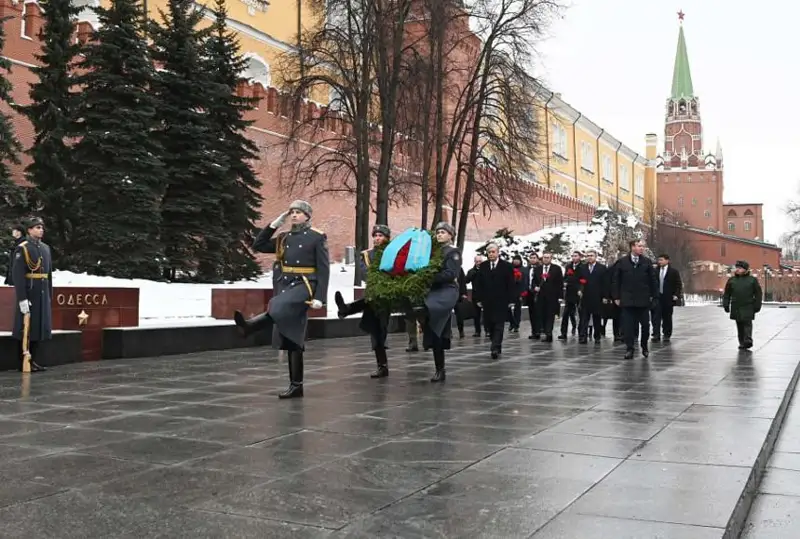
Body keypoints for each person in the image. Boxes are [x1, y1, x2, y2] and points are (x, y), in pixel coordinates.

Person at [233, 200, 330, 399]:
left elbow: (324, 269)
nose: (294, 215)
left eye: (298, 212)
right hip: (285, 285)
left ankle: (251, 326)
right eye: (291, 212)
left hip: (304, 285)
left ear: (307, 216)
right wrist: (273, 225)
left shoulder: (316, 237)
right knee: (293, 337)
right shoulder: (284, 237)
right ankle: (296, 386)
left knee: (277, 305)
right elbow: (258, 245)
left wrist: (320, 298)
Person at [334, 224, 392, 378]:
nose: (377, 238)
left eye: (381, 236)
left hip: (389, 294)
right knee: (376, 328)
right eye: (375, 236)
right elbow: (366, 273)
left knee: (379, 328)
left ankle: (347, 309)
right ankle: (382, 366)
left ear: (387, 238)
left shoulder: (393, 253)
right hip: (374, 292)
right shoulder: (366, 255)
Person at [12, 217, 52, 372]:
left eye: (41, 227)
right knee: (26, 328)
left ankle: (33, 359)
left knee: (38, 328)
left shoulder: (45, 248)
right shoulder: (23, 248)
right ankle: (23, 360)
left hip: (42, 294)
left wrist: (49, 295)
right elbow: (18, 275)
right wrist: (22, 298)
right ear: (29, 230)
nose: (41, 230)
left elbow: (48, 275)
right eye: (37, 227)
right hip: (30, 293)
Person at [424, 222, 461, 382]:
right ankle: (439, 368)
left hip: (446, 291)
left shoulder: (453, 252)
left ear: (450, 235)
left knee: (436, 322)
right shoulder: (433, 252)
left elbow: (451, 273)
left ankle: (440, 369)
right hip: (433, 291)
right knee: (435, 330)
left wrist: (430, 276)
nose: (439, 235)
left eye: (443, 232)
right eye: (438, 232)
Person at [611, 239, 657, 359]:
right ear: (632, 247)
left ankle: (644, 346)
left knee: (645, 326)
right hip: (628, 300)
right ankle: (629, 348)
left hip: (643, 300)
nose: (642, 248)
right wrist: (616, 297)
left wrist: (654, 296)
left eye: (643, 246)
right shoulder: (622, 262)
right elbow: (616, 280)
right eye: (639, 246)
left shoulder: (646, 262)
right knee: (628, 327)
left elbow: (653, 280)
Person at [474, 242, 515, 359]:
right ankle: (496, 343)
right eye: (489, 252)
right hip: (487, 301)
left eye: (493, 252)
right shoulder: (483, 266)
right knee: (490, 325)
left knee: (499, 325)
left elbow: (511, 284)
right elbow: (479, 284)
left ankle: (495, 347)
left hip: (501, 301)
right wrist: (478, 299)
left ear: (498, 252)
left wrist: (511, 300)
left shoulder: (506, 266)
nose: (491, 254)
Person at [723, 260, 762, 350]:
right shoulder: (732, 280)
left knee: (747, 323)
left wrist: (757, 305)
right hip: (736, 305)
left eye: (740, 268)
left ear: (746, 269)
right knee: (739, 324)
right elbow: (727, 294)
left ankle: (748, 340)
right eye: (737, 267)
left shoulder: (752, 280)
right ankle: (742, 342)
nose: (737, 269)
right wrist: (726, 304)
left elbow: (758, 294)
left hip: (748, 305)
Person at [651, 253, 683, 343]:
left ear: (667, 261)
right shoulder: (655, 271)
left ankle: (666, 334)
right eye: (659, 260)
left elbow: (678, 284)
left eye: (661, 260)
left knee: (667, 317)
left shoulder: (673, 272)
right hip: (657, 297)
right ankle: (656, 334)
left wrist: (676, 295)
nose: (659, 262)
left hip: (668, 297)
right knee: (655, 317)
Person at [578, 250, 607, 344]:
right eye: (588, 255)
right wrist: (579, 289)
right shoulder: (582, 267)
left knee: (597, 318)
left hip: (597, 296)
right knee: (584, 318)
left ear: (596, 257)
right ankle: (583, 336)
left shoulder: (602, 268)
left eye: (591, 255)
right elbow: (579, 280)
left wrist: (605, 296)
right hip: (585, 296)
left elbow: (605, 283)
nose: (589, 257)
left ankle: (597, 336)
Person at [533, 252, 563, 342]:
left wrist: (560, 297)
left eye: (548, 257)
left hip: (552, 296)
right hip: (540, 296)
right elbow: (534, 281)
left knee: (550, 315)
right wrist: (535, 287)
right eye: (544, 257)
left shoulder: (556, 268)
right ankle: (543, 330)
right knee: (541, 314)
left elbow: (560, 283)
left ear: (551, 258)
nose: (546, 259)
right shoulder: (538, 269)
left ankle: (549, 334)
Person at [559, 251, 585, 340]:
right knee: (566, 313)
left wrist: (581, 289)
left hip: (578, 292)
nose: (574, 258)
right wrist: (565, 282)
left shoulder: (583, 267)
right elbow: (565, 277)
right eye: (573, 256)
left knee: (581, 314)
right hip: (569, 292)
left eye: (576, 256)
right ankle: (563, 333)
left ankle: (581, 333)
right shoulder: (568, 266)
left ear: (580, 257)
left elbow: (583, 279)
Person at [465, 255, 485, 337]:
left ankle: (488, 330)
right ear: (475, 262)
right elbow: (466, 280)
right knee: (476, 315)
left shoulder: (486, 270)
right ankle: (477, 331)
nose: (479, 263)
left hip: (485, 295)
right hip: (476, 295)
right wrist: (471, 275)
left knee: (487, 314)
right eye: (477, 261)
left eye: (480, 261)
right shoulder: (471, 271)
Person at [507, 255, 525, 333]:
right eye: (515, 259)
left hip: (519, 292)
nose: (516, 261)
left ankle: (516, 325)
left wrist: (523, 293)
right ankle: (512, 322)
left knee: (517, 310)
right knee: (507, 308)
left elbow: (524, 281)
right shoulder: (509, 268)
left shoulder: (523, 269)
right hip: (510, 292)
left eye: (518, 260)